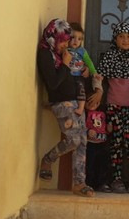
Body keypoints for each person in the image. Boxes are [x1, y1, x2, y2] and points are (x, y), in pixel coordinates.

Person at [36, 18, 94, 197]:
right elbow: (53, 83)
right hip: (62, 102)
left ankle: (79, 183)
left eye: (67, 41)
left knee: (82, 142)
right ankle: (48, 159)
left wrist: (84, 69)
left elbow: (73, 74)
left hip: (76, 101)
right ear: (53, 37)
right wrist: (66, 63)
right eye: (63, 41)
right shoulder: (46, 54)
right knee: (74, 140)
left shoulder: (62, 53)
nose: (65, 45)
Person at [96, 22, 129, 194]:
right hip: (113, 108)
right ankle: (116, 179)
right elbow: (98, 77)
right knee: (115, 144)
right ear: (115, 39)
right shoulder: (109, 57)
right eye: (121, 36)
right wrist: (98, 91)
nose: (125, 40)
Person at [67, 22, 100, 116]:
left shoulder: (82, 51)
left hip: (78, 76)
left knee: (81, 91)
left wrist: (94, 72)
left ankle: (81, 108)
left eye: (79, 39)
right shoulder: (65, 48)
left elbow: (89, 62)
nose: (76, 41)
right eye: (73, 37)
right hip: (67, 75)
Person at [85, 96, 112, 193]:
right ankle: (89, 184)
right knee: (90, 165)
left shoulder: (103, 113)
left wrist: (108, 129)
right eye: (89, 102)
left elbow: (103, 126)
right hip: (90, 144)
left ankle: (102, 183)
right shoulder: (84, 114)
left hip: (102, 143)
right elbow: (80, 127)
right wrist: (87, 131)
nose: (93, 104)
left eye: (95, 102)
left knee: (103, 165)